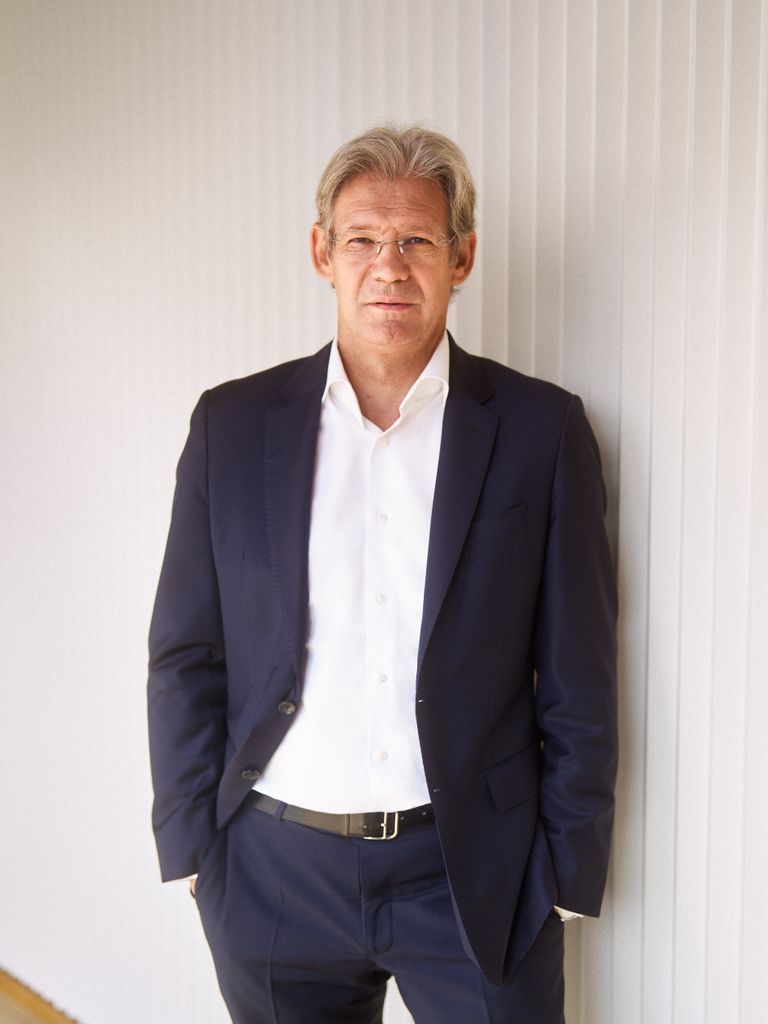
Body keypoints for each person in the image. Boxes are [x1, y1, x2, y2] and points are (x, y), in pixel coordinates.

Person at [147, 124, 618, 1023]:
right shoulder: (230, 427)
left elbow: (579, 677)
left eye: (416, 241)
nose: (389, 267)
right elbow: (186, 653)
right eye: (362, 239)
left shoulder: (542, 432)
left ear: (461, 256)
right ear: (322, 253)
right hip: (272, 879)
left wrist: (565, 875)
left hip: (473, 877)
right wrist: (193, 852)